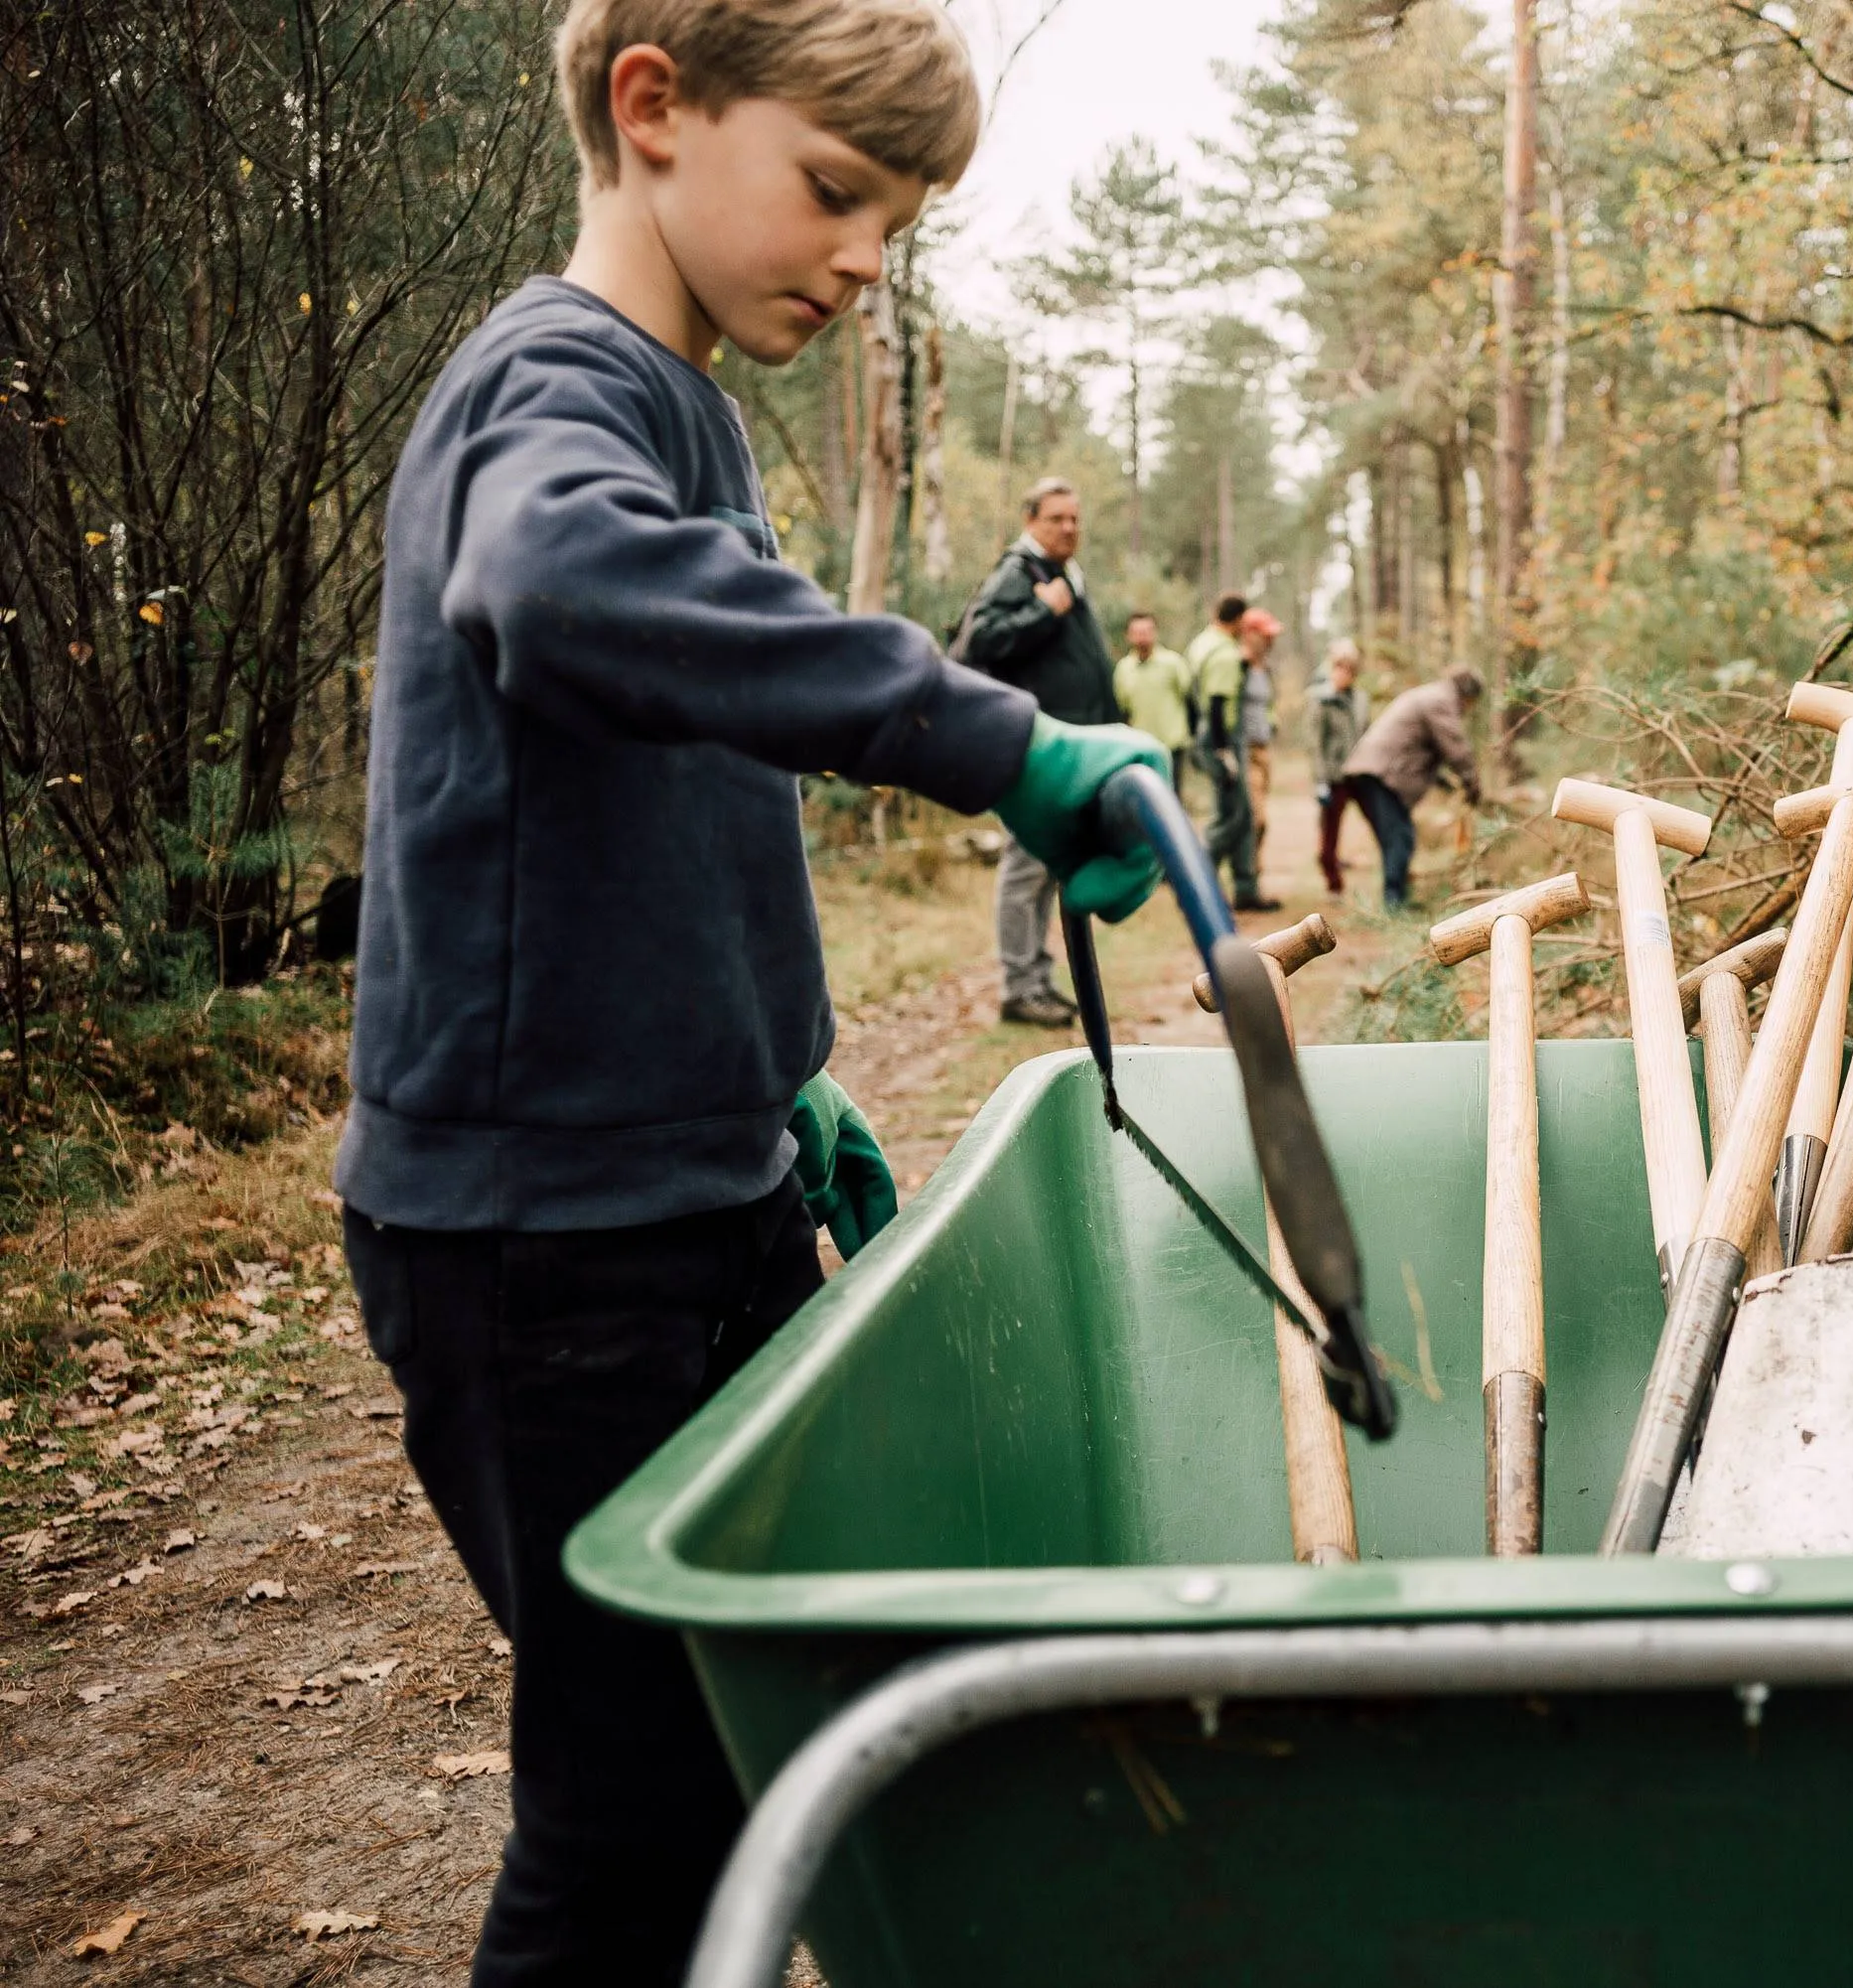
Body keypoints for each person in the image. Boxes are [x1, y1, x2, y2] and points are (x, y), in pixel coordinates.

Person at [335, 6, 1167, 1981]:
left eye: (898, 222)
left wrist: (773, 1077)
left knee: (746, 1758)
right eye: (835, 191)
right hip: (541, 1242)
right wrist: (996, 741)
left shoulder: (689, 412)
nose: (867, 259)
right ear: (653, 108)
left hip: (694, 1187)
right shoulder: (547, 386)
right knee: (631, 1816)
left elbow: (678, 802)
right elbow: (558, 587)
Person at [950, 477, 1123, 1026]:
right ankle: (1019, 987)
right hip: (1037, 747)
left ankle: (1037, 981)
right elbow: (979, 641)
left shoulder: (1061, 572)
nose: (1069, 528)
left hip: (1069, 746)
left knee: (1047, 866)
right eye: (1056, 518)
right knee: (1027, 865)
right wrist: (1042, 612)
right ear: (1031, 522)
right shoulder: (1019, 571)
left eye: (1074, 518)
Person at [1337, 662, 1481, 911]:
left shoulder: (1431, 695)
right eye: (1471, 702)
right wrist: (1473, 783)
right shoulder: (1440, 700)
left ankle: (1397, 896)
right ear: (1467, 694)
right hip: (1382, 774)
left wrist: (1444, 781)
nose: (1469, 709)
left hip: (1375, 769)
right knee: (1400, 837)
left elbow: (1417, 746)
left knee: (1397, 837)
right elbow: (1455, 747)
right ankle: (1394, 903)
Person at [1187, 594, 1276, 910]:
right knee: (1233, 817)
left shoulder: (1202, 643)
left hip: (1208, 735)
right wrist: (1224, 751)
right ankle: (1198, 880)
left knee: (1241, 813)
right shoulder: (1224, 654)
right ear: (1238, 620)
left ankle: (1245, 889)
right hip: (1221, 738)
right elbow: (1216, 704)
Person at [1112, 609, 1194, 795]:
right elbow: (1123, 710)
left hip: (1171, 744)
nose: (1142, 637)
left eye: (1146, 631)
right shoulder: (1124, 669)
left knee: (1172, 796)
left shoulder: (1173, 663)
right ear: (1128, 636)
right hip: (1141, 746)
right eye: (1137, 632)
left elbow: (1188, 699)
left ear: (1155, 633)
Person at [1311, 639, 1369, 895]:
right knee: (1330, 833)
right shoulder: (1322, 701)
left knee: (1380, 820)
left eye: (1347, 670)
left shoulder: (1360, 700)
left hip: (1359, 773)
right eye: (1338, 668)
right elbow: (1316, 745)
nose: (1341, 674)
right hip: (1334, 776)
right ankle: (1333, 882)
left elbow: (1366, 733)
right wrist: (1320, 780)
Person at [1235, 607, 1283, 904]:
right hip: (1246, 750)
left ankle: (1252, 880)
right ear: (1250, 635)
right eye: (1266, 635)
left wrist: (1272, 722)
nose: (1271, 640)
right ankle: (1247, 883)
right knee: (1256, 819)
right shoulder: (1237, 665)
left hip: (1263, 749)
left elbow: (1267, 706)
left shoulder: (1265, 668)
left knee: (1260, 819)